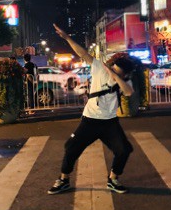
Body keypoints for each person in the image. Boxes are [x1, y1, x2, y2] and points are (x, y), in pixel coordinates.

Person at [48, 23, 135, 195]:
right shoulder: (100, 68)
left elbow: (128, 92)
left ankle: (113, 179)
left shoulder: (124, 81)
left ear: (124, 74)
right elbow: (83, 54)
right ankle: (64, 180)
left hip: (109, 123)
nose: (113, 72)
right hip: (90, 120)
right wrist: (67, 38)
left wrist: (116, 77)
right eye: (113, 69)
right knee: (71, 148)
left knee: (124, 150)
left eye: (118, 72)